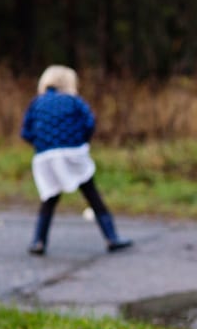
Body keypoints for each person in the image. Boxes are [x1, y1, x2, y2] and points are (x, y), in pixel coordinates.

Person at [21, 65, 133, 255]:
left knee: (49, 197)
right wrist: (80, 140)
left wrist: (41, 144)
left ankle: (38, 241)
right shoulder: (74, 101)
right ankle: (112, 237)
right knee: (92, 195)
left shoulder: (36, 102)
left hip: (46, 158)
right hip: (73, 155)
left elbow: (25, 131)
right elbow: (90, 122)